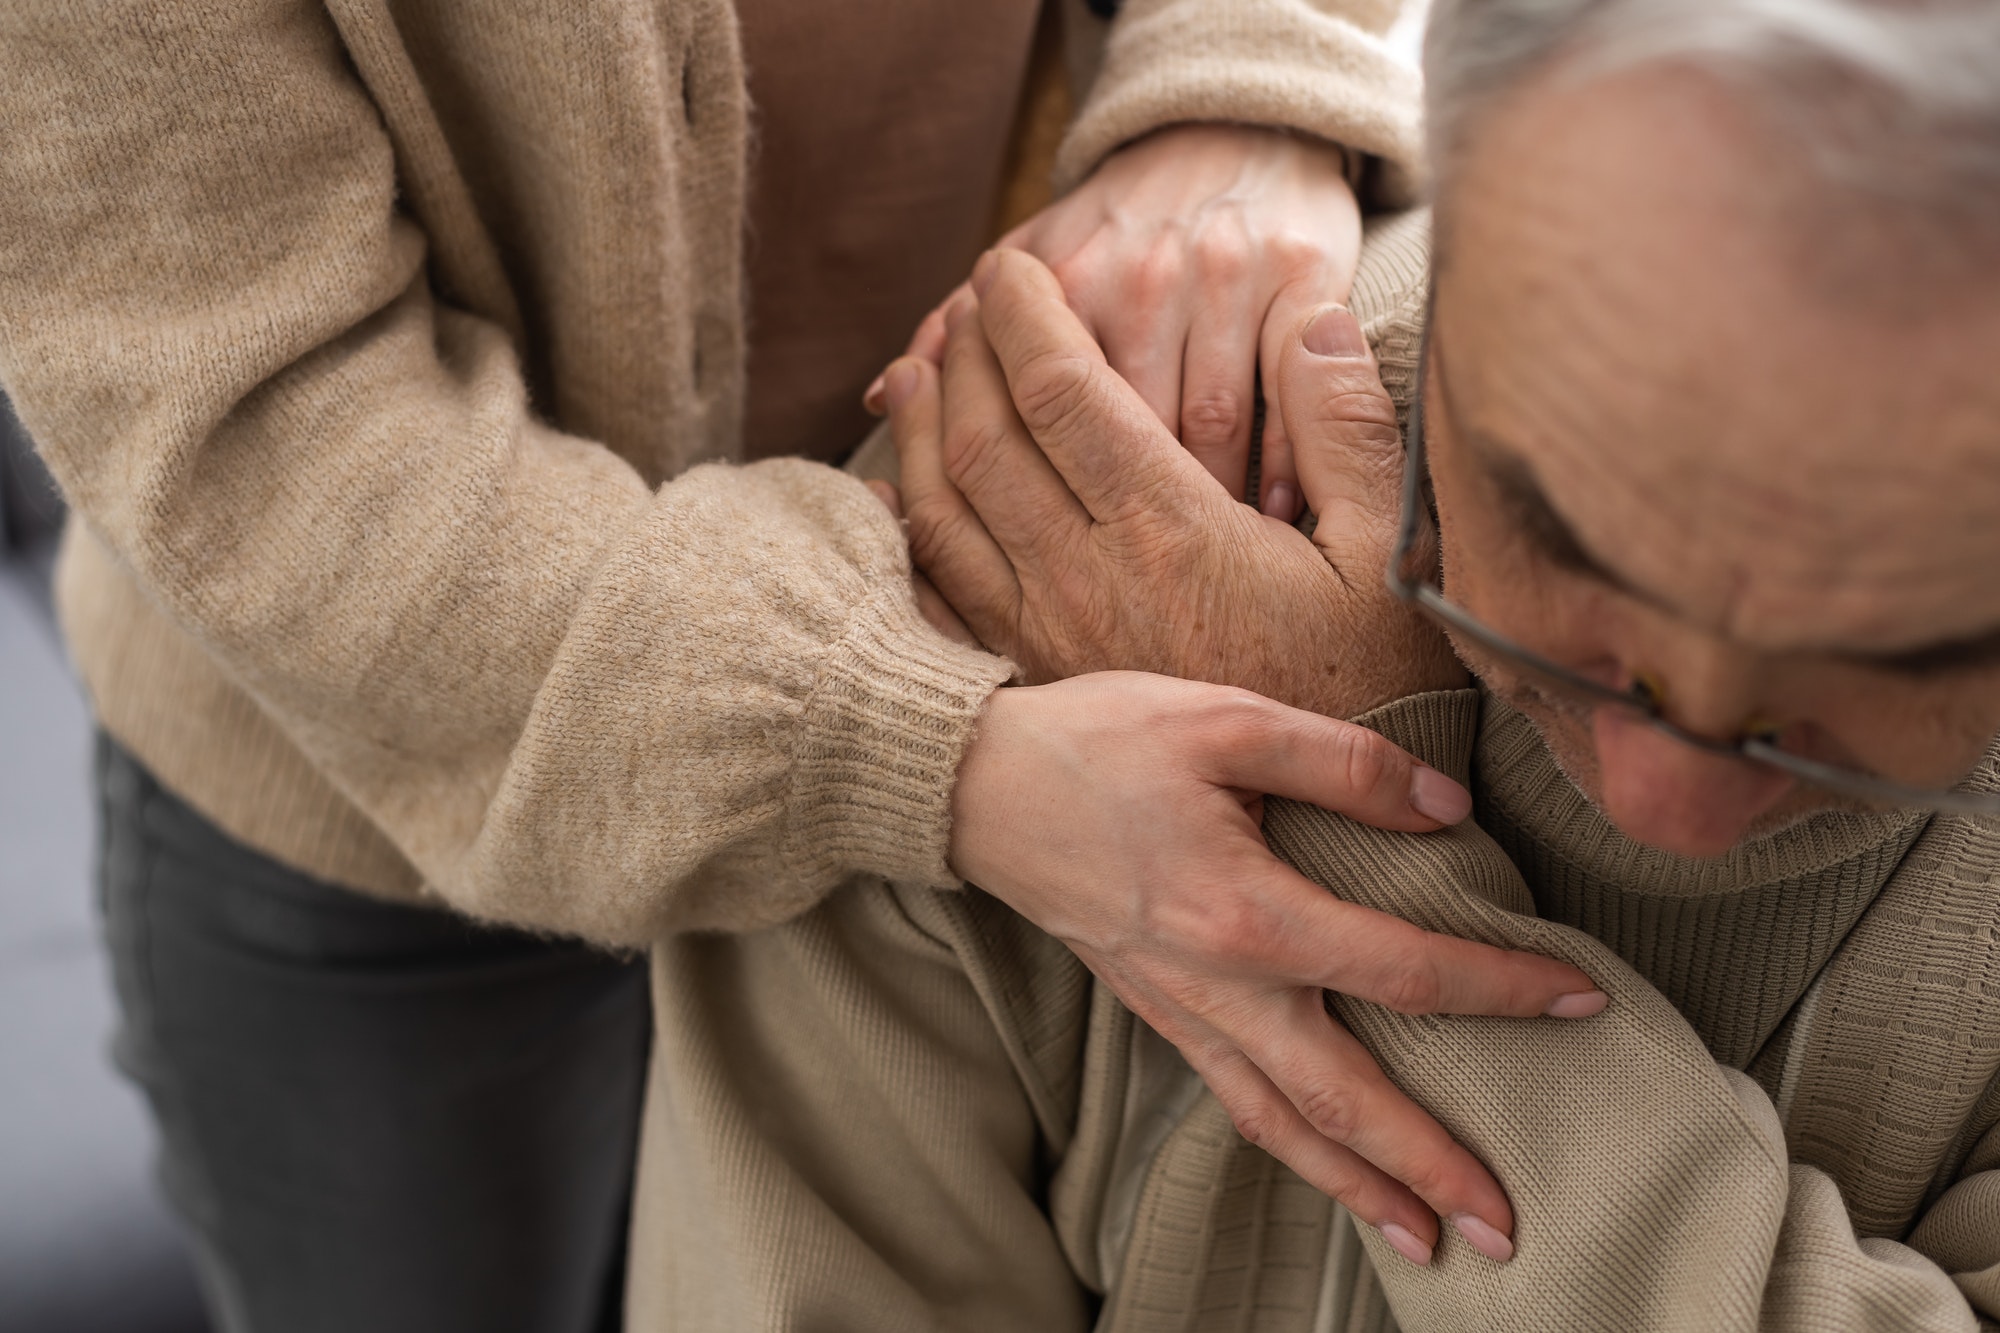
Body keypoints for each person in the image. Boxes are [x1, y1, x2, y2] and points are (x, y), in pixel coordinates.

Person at [0, 0, 1602, 1329]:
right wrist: (903, 733)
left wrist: (1250, 83)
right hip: (378, 803)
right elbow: (269, 433)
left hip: (1021, 702)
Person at [872, 0, 2000, 1326]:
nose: (1665, 807)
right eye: (1569, 544)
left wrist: (1346, 831)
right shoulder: (1058, 519)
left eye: (1902, 651)